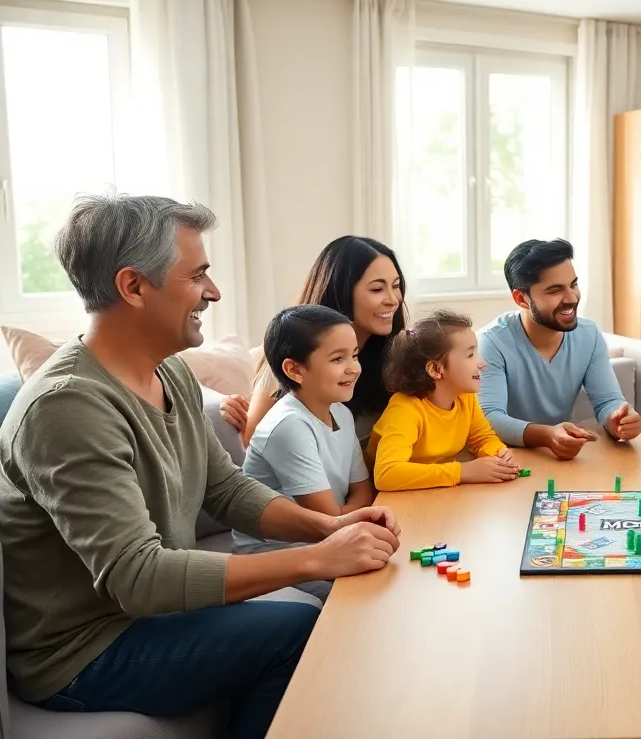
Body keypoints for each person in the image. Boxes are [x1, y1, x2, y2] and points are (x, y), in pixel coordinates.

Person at [0, 194, 400, 738]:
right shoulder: (67, 406)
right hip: (85, 652)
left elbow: (226, 490)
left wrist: (328, 526)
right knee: (298, 629)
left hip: (147, 621)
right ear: (133, 286)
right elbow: (138, 578)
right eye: (199, 276)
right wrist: (315, 558)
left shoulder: (172, 374)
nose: (213, 292)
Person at [231, 305, 378, 602]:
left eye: (354, 355)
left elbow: (363, 491)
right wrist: (348, 516)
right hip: (279, 557)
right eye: (338, 359)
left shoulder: (341, 412)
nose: (353, 368)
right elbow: (326, 518)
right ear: (294, 369)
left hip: (328, 540)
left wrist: (345, 516)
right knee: (364, 599)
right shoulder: (288, 426)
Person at [222, 236, 407, 448]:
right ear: (341, 291)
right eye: (377, 289)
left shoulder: (396, 357)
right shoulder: (291, 351)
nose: (393, 299)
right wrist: (232, 411)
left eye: (396, 286)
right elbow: (252, 440)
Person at [478, 238, 641, 459]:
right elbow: (489, 418)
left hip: (561, 459)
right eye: (555, 290)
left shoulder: (588, 334)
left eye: (573, 284)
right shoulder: (492, 342)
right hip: (504, 458)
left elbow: (607, 401)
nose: (572, 298)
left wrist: (618, 419)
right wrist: (546, 435)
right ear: (521, 299)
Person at [367, 310, 519, 490]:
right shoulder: (404, 410)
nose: (482, 363)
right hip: (390, 500)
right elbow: (386, 474)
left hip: (432, 492)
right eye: (470, 355)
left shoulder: (465, 398)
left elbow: (482, 438)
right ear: (436, 370)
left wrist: (498, 453)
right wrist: (462, 472)